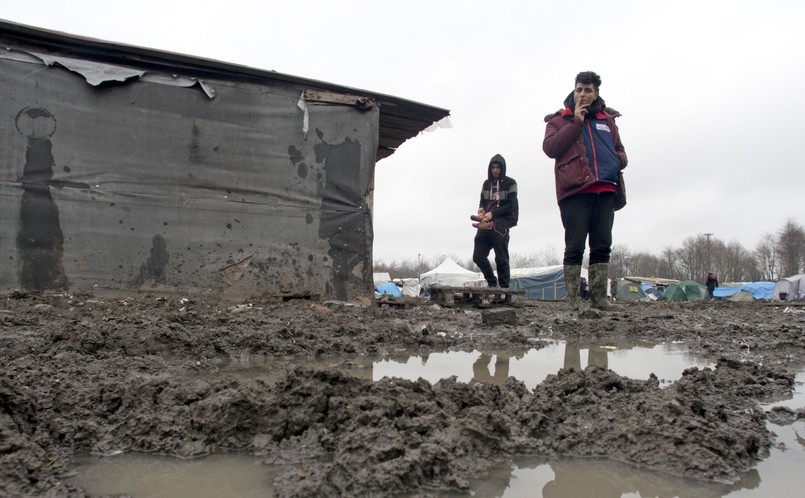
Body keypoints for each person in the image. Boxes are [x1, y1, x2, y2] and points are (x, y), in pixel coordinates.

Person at [543, 71, 628, 312]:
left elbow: (620, 151)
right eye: (579, 89)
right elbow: (551, 148)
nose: (582, 94)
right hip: (575, 191)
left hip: (605, 189)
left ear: (596, 93)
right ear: (574, 90)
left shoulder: (606, 120)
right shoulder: (559, 120)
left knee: (602, 245)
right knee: (575, 246)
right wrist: (576, 121)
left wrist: (614, 162)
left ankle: (600, 300)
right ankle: (572, 301)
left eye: (588, 90)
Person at [471, 154, 518, 288]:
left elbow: (510, 205)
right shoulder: (486, 184)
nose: (496, 170)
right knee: (478, 256)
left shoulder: (511, 183)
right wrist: (481, 211)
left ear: (502, 168)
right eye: (493, 167)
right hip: (485, 226)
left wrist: (493, 213)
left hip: (501, 225)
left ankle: (503, 289)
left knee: (501, 259)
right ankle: (492, 283)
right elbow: (482, 202)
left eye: (498, 167)